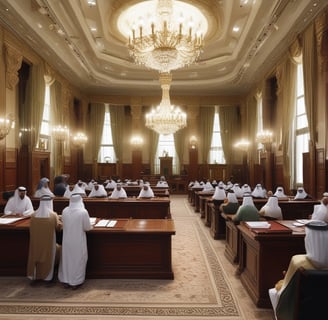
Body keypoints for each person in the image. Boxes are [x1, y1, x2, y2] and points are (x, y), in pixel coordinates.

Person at [268, 220, 328, 317]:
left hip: (302, 310)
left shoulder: (299, 262)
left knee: (274, 291)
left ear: (308, 240)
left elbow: (286, 289)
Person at [58, 194, 92, 289]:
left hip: (67, 241)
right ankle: (75, 282)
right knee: (78, 260)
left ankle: (66, 279)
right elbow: (87, 228)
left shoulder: (65, 210)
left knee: (67, 260)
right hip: (78, 241)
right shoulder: (83, 212)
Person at [27, 195, 62, 286]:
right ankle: (48, 278)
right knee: (57, 251)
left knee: (36, 254)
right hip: (49, 244)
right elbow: (58, 228)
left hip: (36, 244)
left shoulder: (33, 215)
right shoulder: (53, 215)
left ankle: (35, 276)